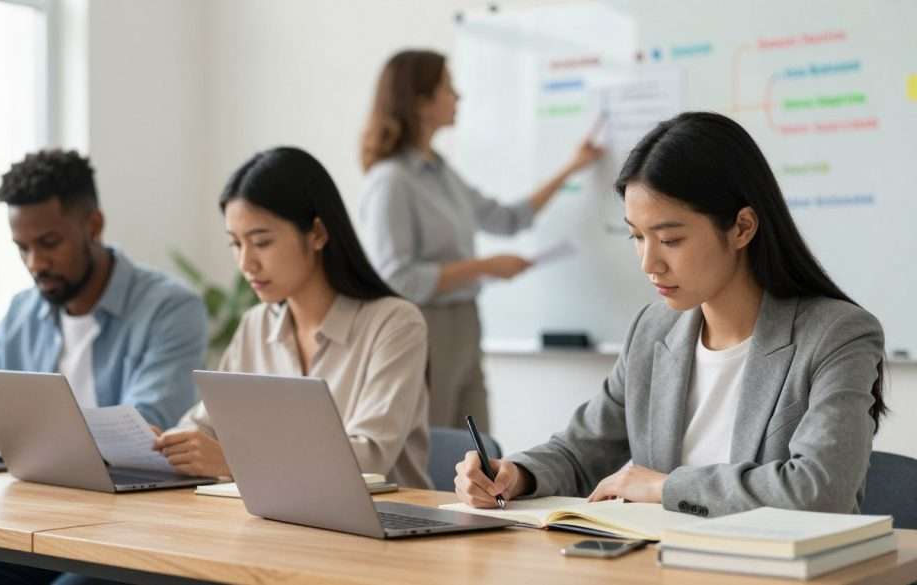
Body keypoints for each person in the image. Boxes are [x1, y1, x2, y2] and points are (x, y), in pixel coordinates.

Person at [453, 112, 886, 518]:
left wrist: (663, 488)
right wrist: (516, 474)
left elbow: (818, 491)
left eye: (670, 239)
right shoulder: (654, 329)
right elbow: (582, 449)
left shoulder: (837, 335)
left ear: (742, 228)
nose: (649, 263)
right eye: (637, 236)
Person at [0, 149, 207, 585]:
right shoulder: (24, 310)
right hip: (33, 531)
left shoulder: (170, 308)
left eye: (49, 244)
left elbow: (150, 424)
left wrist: (40, 433)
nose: (35, 263)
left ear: (93, 226)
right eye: (22, 248)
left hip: (132, 536)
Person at [153, 147, 432, 489]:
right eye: (236, 244)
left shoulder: (395, 324)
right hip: (283, 518)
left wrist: (236, 459)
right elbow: (205, 425)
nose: (245, 264)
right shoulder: (257, 324)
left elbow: (370, 458)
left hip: (384, 523)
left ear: (317, 233)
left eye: (261, 242)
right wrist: (165, 444)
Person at [357, 49, 604, 429]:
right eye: (447, 88)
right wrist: (486, 267)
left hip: (466, 324)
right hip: (425, 329)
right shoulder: (391, 182)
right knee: (433, 450)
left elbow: (507, 219)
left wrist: (572, 167)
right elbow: (397, 278)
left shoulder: (441, 172)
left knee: (478, 450)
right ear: (420, 102)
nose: (458, 97)